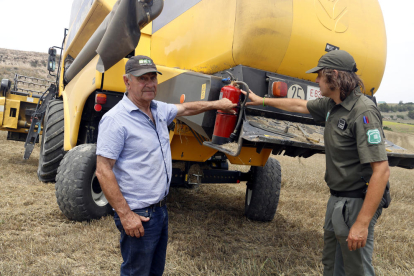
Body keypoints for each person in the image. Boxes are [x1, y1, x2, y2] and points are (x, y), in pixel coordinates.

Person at [242, 50, 390, 276]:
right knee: (331, 265)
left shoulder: (363, 111)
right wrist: (260, 100)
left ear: (336, 76)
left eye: (320, 75)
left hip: (356, 201)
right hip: (337, 199)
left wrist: (362, 223)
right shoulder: (332, 105)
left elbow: (381, 171)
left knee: (356, 269)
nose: (316, 80)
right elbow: (299, 105)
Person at [95, 55, 236, 276]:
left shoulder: (158, 109)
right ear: (127, 81)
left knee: (154, 271)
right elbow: (103, 170)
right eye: (142, 79)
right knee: (136, 272)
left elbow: (187, 109)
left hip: (160, 210)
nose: (150, 84)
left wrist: (218, 104)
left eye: (153, 78)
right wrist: (125, 215)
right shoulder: (116, 120)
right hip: (138, 215)